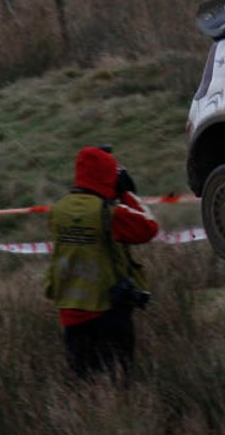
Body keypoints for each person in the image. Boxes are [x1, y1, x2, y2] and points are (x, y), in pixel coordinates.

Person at [47, 145, 161, 381]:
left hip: (69, 313)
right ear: (108, 177)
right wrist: (126, 193)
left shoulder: (58, 210)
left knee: (85, 386)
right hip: (108, 311)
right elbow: (149, 228)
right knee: (118, 383)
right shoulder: (109, 213)